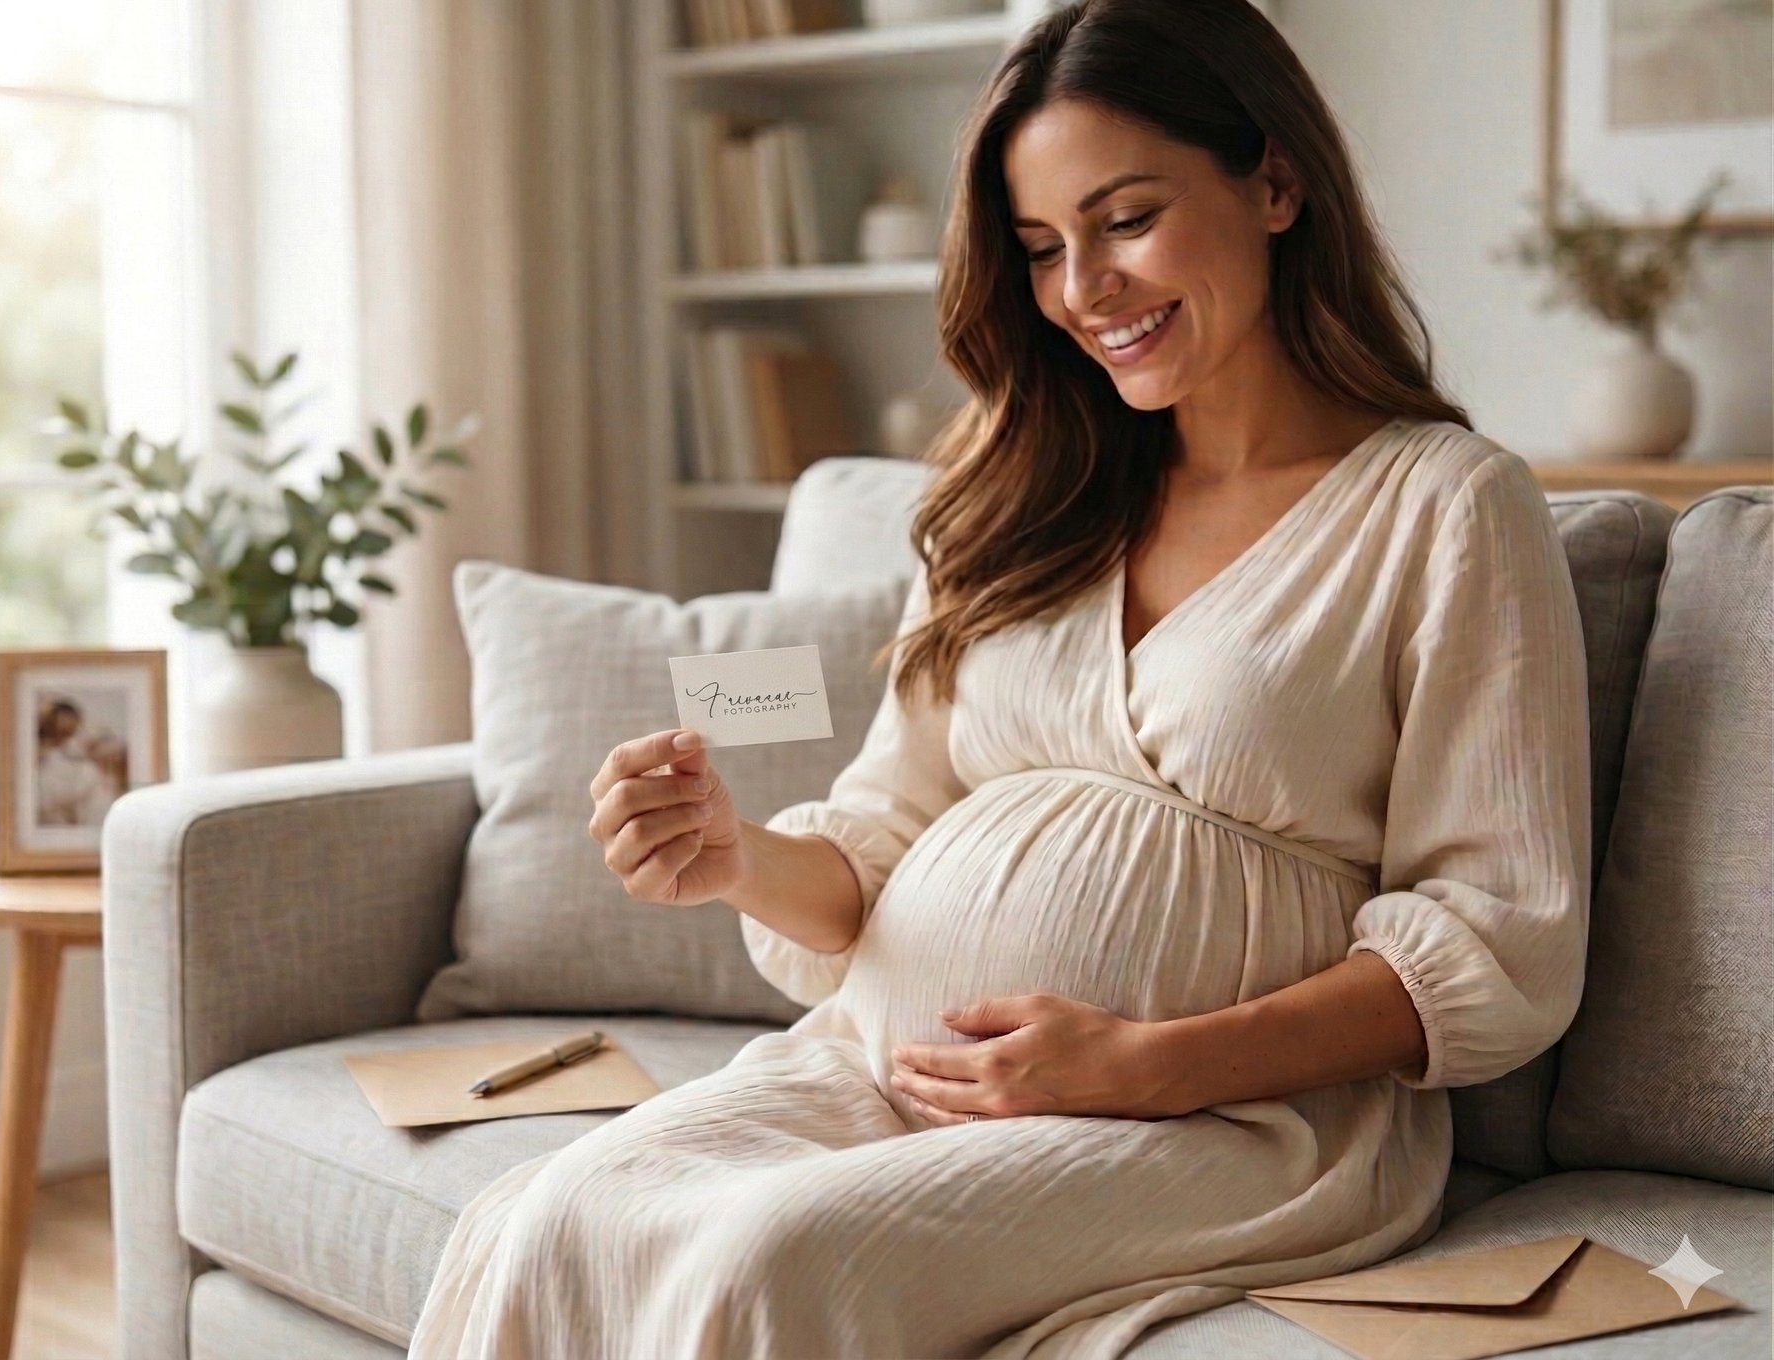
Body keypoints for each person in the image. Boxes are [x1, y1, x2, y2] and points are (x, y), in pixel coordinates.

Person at [409, 0, 1592, 1354]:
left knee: (771, 1263)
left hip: (1237, 1121)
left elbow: (1500, 935)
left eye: (1127, 219)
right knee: (543, 1216)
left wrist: (1145, 1065)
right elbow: (886, 837)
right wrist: (735, 856)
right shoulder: (1016, 496)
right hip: (885, 1062)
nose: (1084, 289)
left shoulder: (1445, 508)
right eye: (1040, 248)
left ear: (1274, 181)